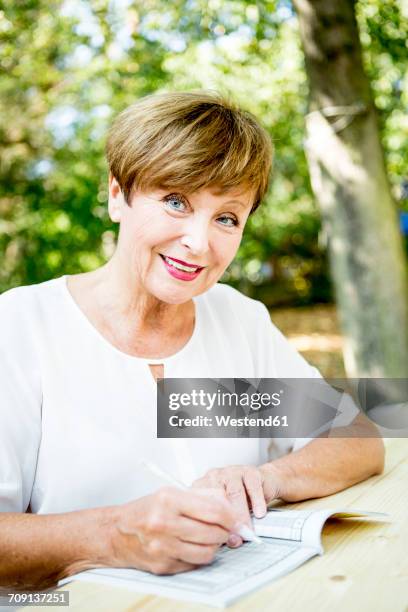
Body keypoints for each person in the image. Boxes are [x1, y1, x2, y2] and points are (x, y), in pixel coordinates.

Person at [0, 91, 384, 590]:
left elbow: (357, 439)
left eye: (226, 217)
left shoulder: (238, 319)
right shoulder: (20, 327)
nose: (199, 243)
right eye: (176, 201)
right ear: (118, 195)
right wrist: (114, 535)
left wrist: (266, 480)